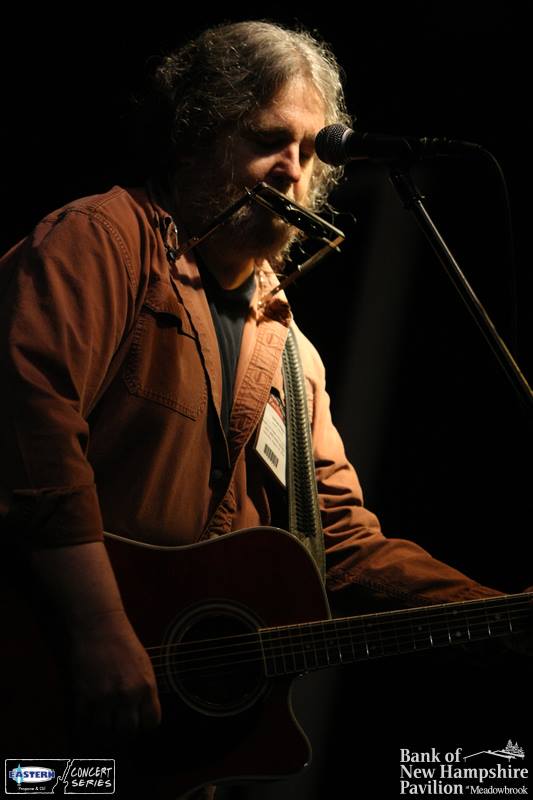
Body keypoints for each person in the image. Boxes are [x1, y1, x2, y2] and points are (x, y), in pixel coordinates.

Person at [0, 19, 529, 800]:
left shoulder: (290, 353)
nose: (290, 168)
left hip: (168, 750)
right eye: (265, 138)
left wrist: (501, 614)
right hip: (38, 696)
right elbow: (30, 436)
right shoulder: (100, 241)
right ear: (195, 139)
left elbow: (341, 542)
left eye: (311, 150)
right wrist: (98, 629)